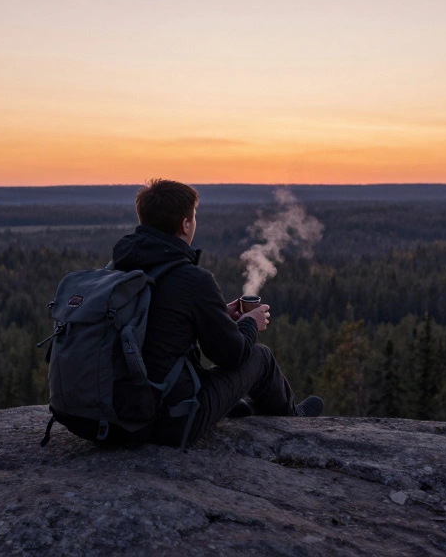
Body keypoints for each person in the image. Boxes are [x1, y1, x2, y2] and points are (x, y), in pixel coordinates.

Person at [110, 178, 322, 447]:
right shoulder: (191, 278)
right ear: (186, 224)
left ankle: (232, 408)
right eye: (194, 217)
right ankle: (293, 417)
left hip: (119, 414)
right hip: (167, 422)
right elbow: (232, 356)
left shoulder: (120, 268)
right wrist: (248, 323)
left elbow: (157, 326)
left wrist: (217, 313)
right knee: (261, 357)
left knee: (216, 384)